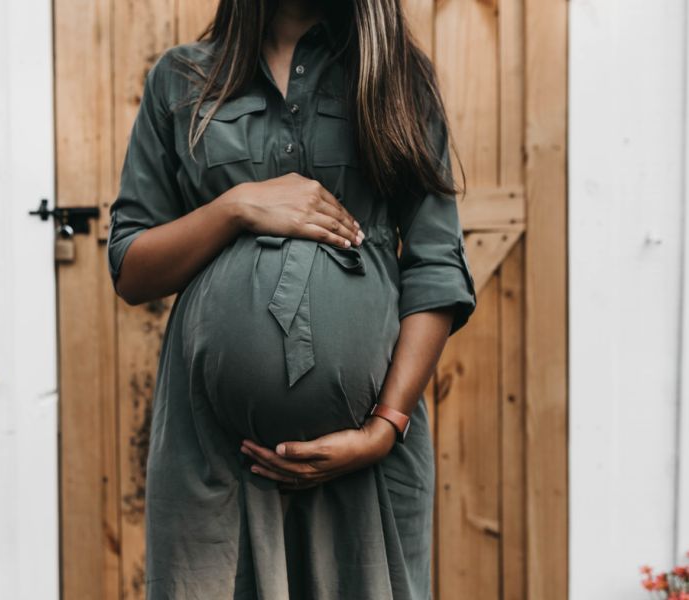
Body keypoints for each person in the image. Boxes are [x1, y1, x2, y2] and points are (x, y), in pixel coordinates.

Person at [107, 0, 477, 598]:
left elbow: (436, 266)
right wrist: (236, 206)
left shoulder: (396, 77)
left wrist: (384, 428)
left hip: (368, 459)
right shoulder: (180, 80)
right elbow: (131, 269)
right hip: (213, 458)